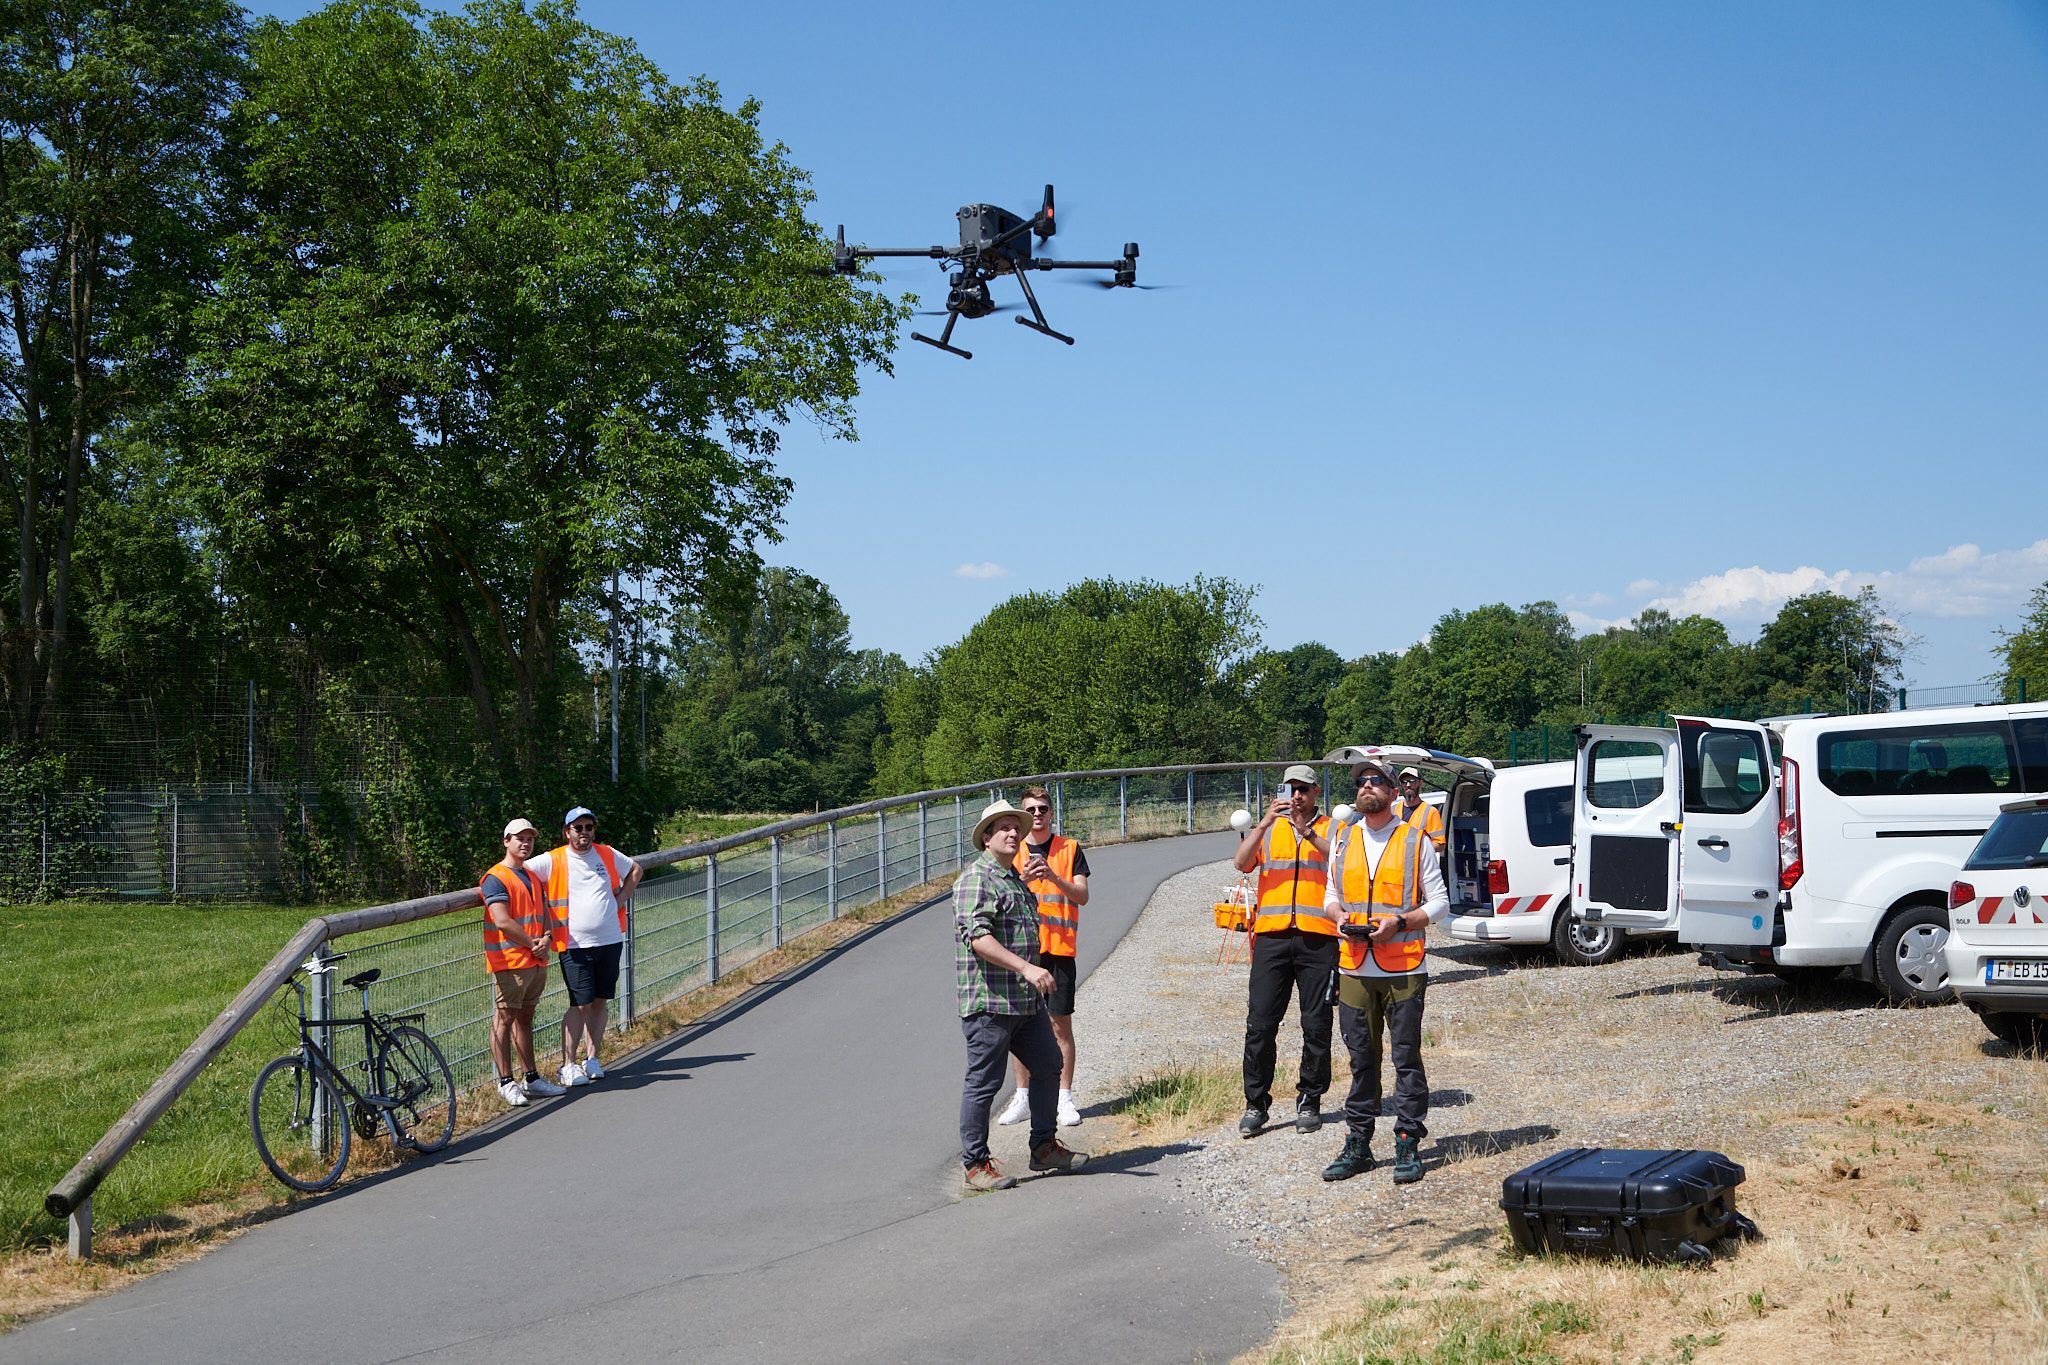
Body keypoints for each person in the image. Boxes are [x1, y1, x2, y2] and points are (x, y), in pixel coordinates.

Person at [1320, 757, 1448, 1186]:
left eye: (1376, 781)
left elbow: (1440, 903)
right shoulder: (1342, 838)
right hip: (1355, 965)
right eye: (1361, 782)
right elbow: (1331, 894)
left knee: (1405, 1058)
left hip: (1404, 965)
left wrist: (1401, 923)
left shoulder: (1415, 841)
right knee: (1361, 1059)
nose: (1366, 786)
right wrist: (1338, 917)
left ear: (1395, 793)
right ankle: (1358, 1142)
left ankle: (1408, 1141)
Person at [953, 797, 1090, 1192]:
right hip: (989, 1002)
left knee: (1048, 1066)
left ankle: (1044, 1147)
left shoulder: (1013, 879)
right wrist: (1028, 968)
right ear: (986, 838)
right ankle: (976, 1164)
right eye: (1004, 828)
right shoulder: (976, 880)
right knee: (984, 1082)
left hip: (1023, 1002)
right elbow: (978, 937)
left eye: (1017, 827)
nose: (1014, 833)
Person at [1232, 762, 1335, 1138]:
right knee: (1259, 1024)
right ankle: (1256, 1104)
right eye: (1290, 789)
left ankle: (1310, 1098)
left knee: (1316, 1024)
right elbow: (1242, 863)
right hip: (1273, 938)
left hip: (1317, 937)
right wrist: (1262, 825)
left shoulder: (1330, 829)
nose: (1296, 796)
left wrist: (1306, 833)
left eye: (1304, 789)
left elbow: (1340, 861)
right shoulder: (1269, 829)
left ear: (1315, 793)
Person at [995, 786, 1092, 1129]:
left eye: (1042, 809)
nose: (1037, 814)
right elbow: (1000, 893)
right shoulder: (1011, 850)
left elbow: (1082, 895)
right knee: (1019, 1027)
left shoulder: (1070, 849)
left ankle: (1064, 1097)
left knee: (1059, 1025)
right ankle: (1022, 1097)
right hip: (1023, 953)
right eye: (1031, 810)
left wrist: (1053, 877)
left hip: (1060, 950)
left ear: (1051, 813)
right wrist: (1024, 879)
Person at [527, 806, 642, 1087]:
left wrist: (620, 900)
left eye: (589, 827)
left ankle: (592, 1058)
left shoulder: (606, 853)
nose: (584, 833)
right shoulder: (552, 860)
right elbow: (519, 872)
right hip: (574, 943)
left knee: (600, 1000)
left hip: (610, 939)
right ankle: (567, 1064)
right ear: (567, 832)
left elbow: (635, 870)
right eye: (578, 828)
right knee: (580, 1004)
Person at [480, 818, 566, 1106]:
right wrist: (534, 944)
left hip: (535, 960)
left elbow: (543, 915)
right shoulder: (496, 877)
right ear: (506, 841)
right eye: (519, 838)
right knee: (504, 1019)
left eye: (529, 838)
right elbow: (502, 920)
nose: (525, 843)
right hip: (510, 960)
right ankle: (506, 1081)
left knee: (526, 1018)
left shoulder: (531, 876)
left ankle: (531, 1078)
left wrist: (546, 938)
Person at [1392, 765, 1446, 855]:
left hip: (1418, 865)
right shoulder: (1392, 810)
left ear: (1420, 783)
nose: (1408, 785)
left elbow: (1440, 844)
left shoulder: (1430, 812)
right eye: (1404, 782)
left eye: (1412, 781)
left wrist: (1415, 849)